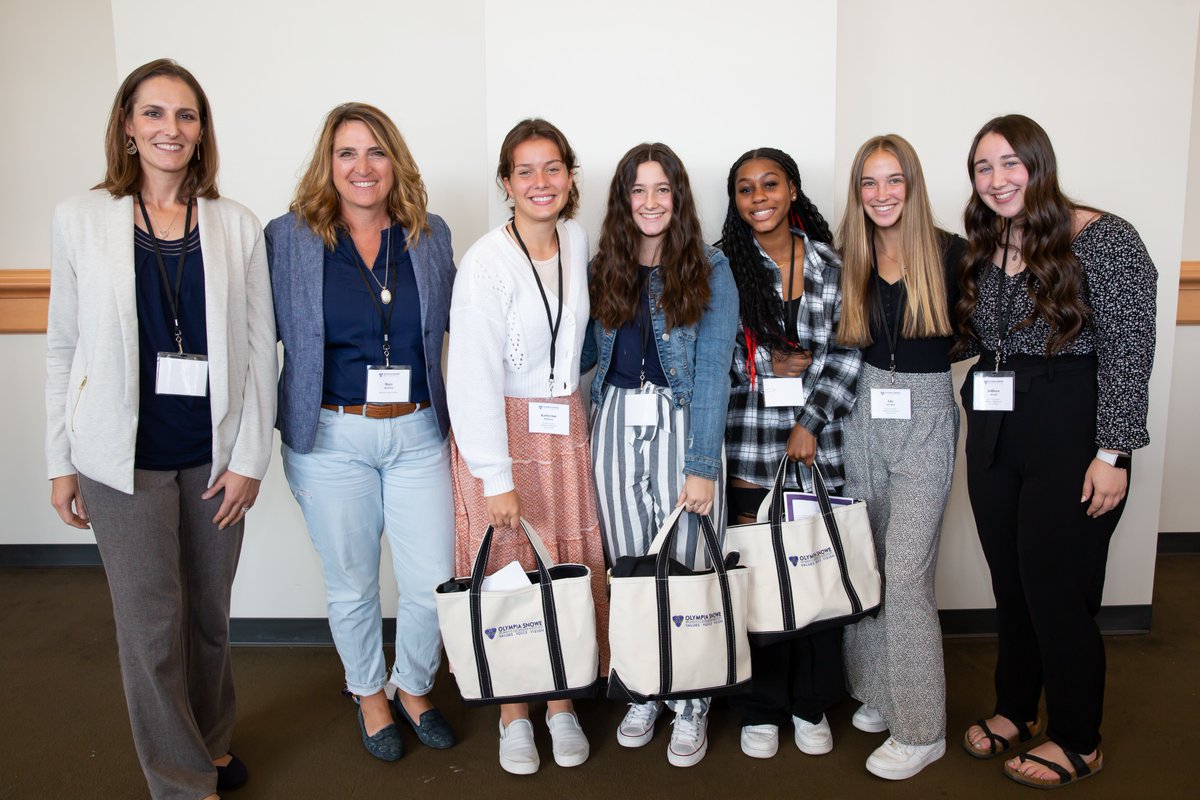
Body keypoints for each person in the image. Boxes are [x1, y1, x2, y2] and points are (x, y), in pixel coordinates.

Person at [45, 58, 276, 800]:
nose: (169, 129)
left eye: (184, 115)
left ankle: (208, 745)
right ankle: (180, 784)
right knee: (151, 629)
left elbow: (259, 349)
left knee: (208, 620)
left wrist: (250, 461)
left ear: (202, 130)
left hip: (212, 458)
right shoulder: (80, 220)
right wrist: (61, 460)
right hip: (123, 464)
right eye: (153, 114)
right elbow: (62, 346)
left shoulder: (236, 224)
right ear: (126, 125)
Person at [955, 114, 1156, 789]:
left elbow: (1129, 351)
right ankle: (1017, 708)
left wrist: (1114, 453)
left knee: (1056, 590)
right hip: (995, 424)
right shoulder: (985, 245)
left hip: (1072, 423)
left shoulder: (1105, 238)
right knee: (1010, 583)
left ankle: (1078, 736)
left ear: (1039, 164)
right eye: (983, 167)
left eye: (1010, 163)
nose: (997, 179)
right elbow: (976, 337)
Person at [266, 103, 457, 762]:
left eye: (376, 152)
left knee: (432, 580)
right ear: (328, 163)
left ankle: (412, 684)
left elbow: (459, 329)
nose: (362, 167)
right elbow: (256, 339)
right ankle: (369, 693)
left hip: (418, 432)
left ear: (394, 161)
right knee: (351, 582)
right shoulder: (287, 238)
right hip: (330, 436)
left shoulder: (430, 236)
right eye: (347, 153)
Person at [446, 119, 602, 775]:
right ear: (507, 183)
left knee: (563, 561)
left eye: (552, 168)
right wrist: (493, 475)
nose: (541, 183)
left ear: (570, 177)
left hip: (561, 426)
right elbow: (472, 375)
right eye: (526, 171)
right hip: (501, 435)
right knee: (511, 567)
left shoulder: (575, 237)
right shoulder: (487, 261)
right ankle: (514, 714)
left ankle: (561, 702)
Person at [584, 143, 738, 767]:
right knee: (631, 562)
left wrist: (702, 464)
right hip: (616, 419)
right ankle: (646, 686)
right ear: (624, 201)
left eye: (662, 190)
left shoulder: (711, 267)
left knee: (691, 559)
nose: (650, 203)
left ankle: (693, 700)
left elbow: (711, 373)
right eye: (637, 191)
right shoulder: (603, 266)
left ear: (679, 197)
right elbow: (585, 358)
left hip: (683, 423)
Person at [720, 147, 862, 760]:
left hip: (817, 451)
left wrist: (810, 417)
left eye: (770, 184)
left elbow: (849, 349)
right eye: (746, 189)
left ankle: (811, 704)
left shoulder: (831, 264)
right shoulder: (720, 267)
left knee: (812, 574)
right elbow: (707, 357)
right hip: (749, 450)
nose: (759, 198)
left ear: (794, 189)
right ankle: (761, 705)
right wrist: (767, 362)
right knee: (757, 580)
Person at [836, 135, 965, 779]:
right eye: (869, 183)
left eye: (894, 181)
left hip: (926, 412)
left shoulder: (951, 254)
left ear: (911, 185)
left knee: (909, 569)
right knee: (870, 556)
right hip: (861, 410)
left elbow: (975, 331)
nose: (881, 195)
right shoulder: (848, 256)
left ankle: (922, 727)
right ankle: (880, 691)